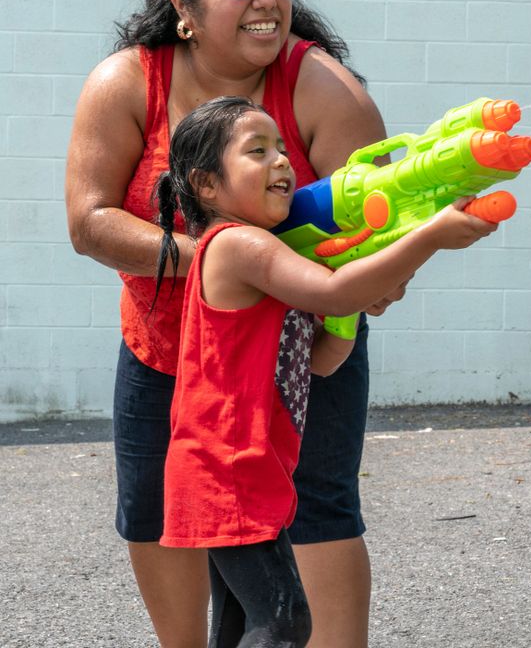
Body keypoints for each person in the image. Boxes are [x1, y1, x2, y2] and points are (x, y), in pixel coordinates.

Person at [65, 0, 399, 647]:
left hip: (304, 360)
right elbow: (89, 222)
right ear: (184, 3)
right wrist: (228, 262)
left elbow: (380, 227)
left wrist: (384, 268)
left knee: (317, 510)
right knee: (158, 514)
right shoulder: (126, 83)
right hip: (167, 354)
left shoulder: (321, 85)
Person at [151, 95, 495, 647]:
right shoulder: (238, 245)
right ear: (208, 185)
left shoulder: (269, 253)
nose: (282, 161)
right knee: (286, 622)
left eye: (282, 148)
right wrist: (427, 236)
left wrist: (359, 288)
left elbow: (324, 361)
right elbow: (335, 291)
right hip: (229, 471)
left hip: (251, 471)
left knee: (242, 623)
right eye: (257, 151)